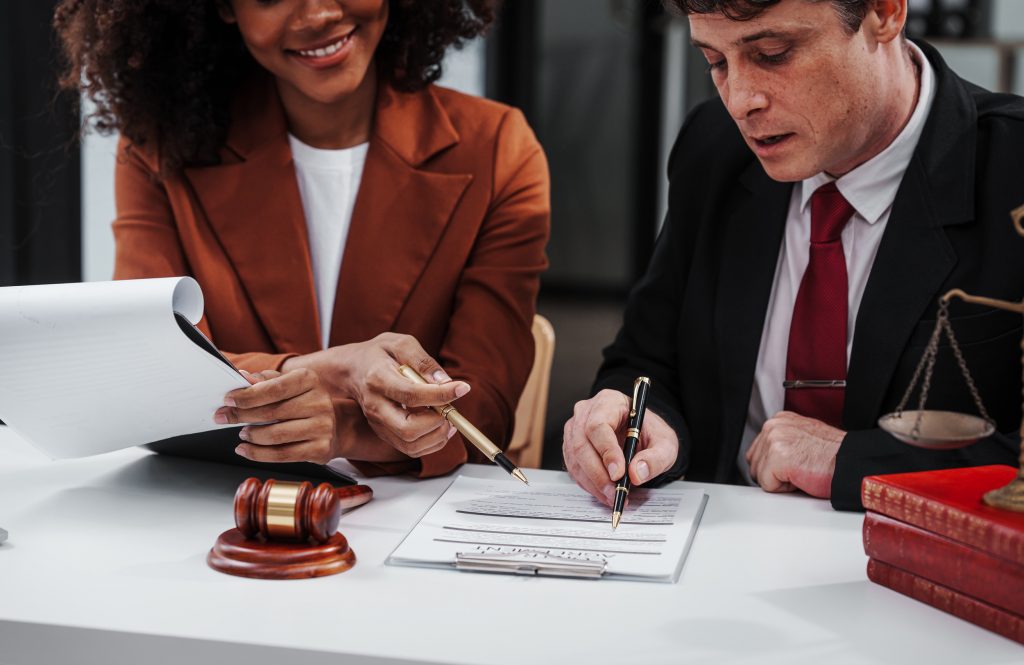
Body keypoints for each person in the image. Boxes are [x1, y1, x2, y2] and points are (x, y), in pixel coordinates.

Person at [54, 0, 549, 476]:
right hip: (208, 511)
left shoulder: (498, 150)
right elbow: (151, 363)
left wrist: (347, 429)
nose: (318, 14)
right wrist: (330, 370)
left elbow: (482, 401)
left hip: (404, 517)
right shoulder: (159, 149)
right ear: (223, 7)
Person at [563, 0, 1023, 510]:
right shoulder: (714, 149)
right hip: (716, 550)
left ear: (885, 13)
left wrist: (852, 461)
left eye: (773, 54)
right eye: (715, 62)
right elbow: (646, 360)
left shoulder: (1011, 169)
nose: (739, 101)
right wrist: (628, 415)